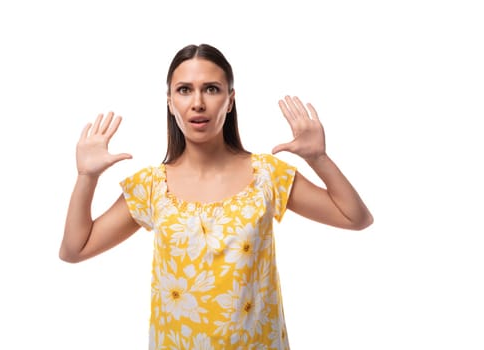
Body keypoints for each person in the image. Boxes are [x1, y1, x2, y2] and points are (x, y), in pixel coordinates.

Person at [60, 43, 373, 349]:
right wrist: (87, 177)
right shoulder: (151, 186)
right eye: (184, 90)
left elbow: (355, 217)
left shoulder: (266, 174)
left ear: (230, 100)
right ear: (170, 102)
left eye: (211, 89)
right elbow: (75, 249)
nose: (198, 103)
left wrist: (318, 158)